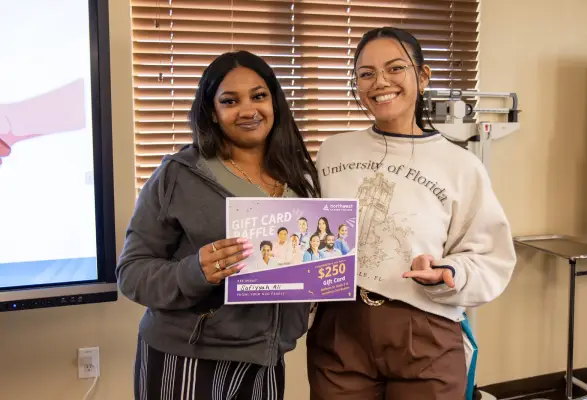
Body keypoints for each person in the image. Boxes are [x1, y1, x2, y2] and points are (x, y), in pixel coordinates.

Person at [306, 27, 516, 399]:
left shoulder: (460, 165)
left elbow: (491, 257)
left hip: (424, 331)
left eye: (395, 68)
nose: (380, 82)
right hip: (341, 328)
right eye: (366, 73)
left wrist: (447, 273)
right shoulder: (333, 152)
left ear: (422, 76)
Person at [116, 50, 320, 400]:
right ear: (212, 111)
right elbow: (132, 273)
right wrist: (196, 271)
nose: (248, 110)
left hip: (266, 359)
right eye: (230, 100)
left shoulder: (299, 180)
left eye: (259, 96)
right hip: (186, 357)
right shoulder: (177, 175)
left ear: (275, 102)